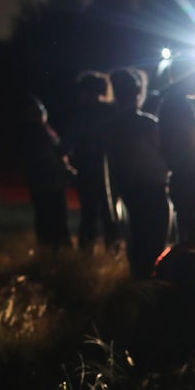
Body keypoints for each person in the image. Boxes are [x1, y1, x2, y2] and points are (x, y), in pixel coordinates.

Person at [101, 67, 171, 279]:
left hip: (128, 191)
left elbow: (109, 168)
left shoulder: (110, 126)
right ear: (138, 91)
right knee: (155, 244)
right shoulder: (147, 124)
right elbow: (166, 153)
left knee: (137, 243)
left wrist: (111, 203)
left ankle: (139, 289)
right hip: (153, 189)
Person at [157, 56, 195, 242]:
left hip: (185, 177)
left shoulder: (173, 104)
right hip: (191, 178)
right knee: (194, 231)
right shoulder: (177, 106)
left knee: (189, 228)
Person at [64, 70, 119, 253]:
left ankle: (91, 252)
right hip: (98, 171)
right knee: (105, 215)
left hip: (95, 171)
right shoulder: (108, 112)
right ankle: (107, 252)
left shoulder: (87, 115)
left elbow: (66, 144)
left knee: (94, 214)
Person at [17, 94, 74, 251]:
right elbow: (49, 157)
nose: (40, 112)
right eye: (35, 110)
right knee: (51, 217)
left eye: (40, 109)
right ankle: (54, 250)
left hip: (48, 182)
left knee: (52, 217)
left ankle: (54, 250)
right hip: (47, 183)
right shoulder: (35, 134)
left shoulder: (45, 130)